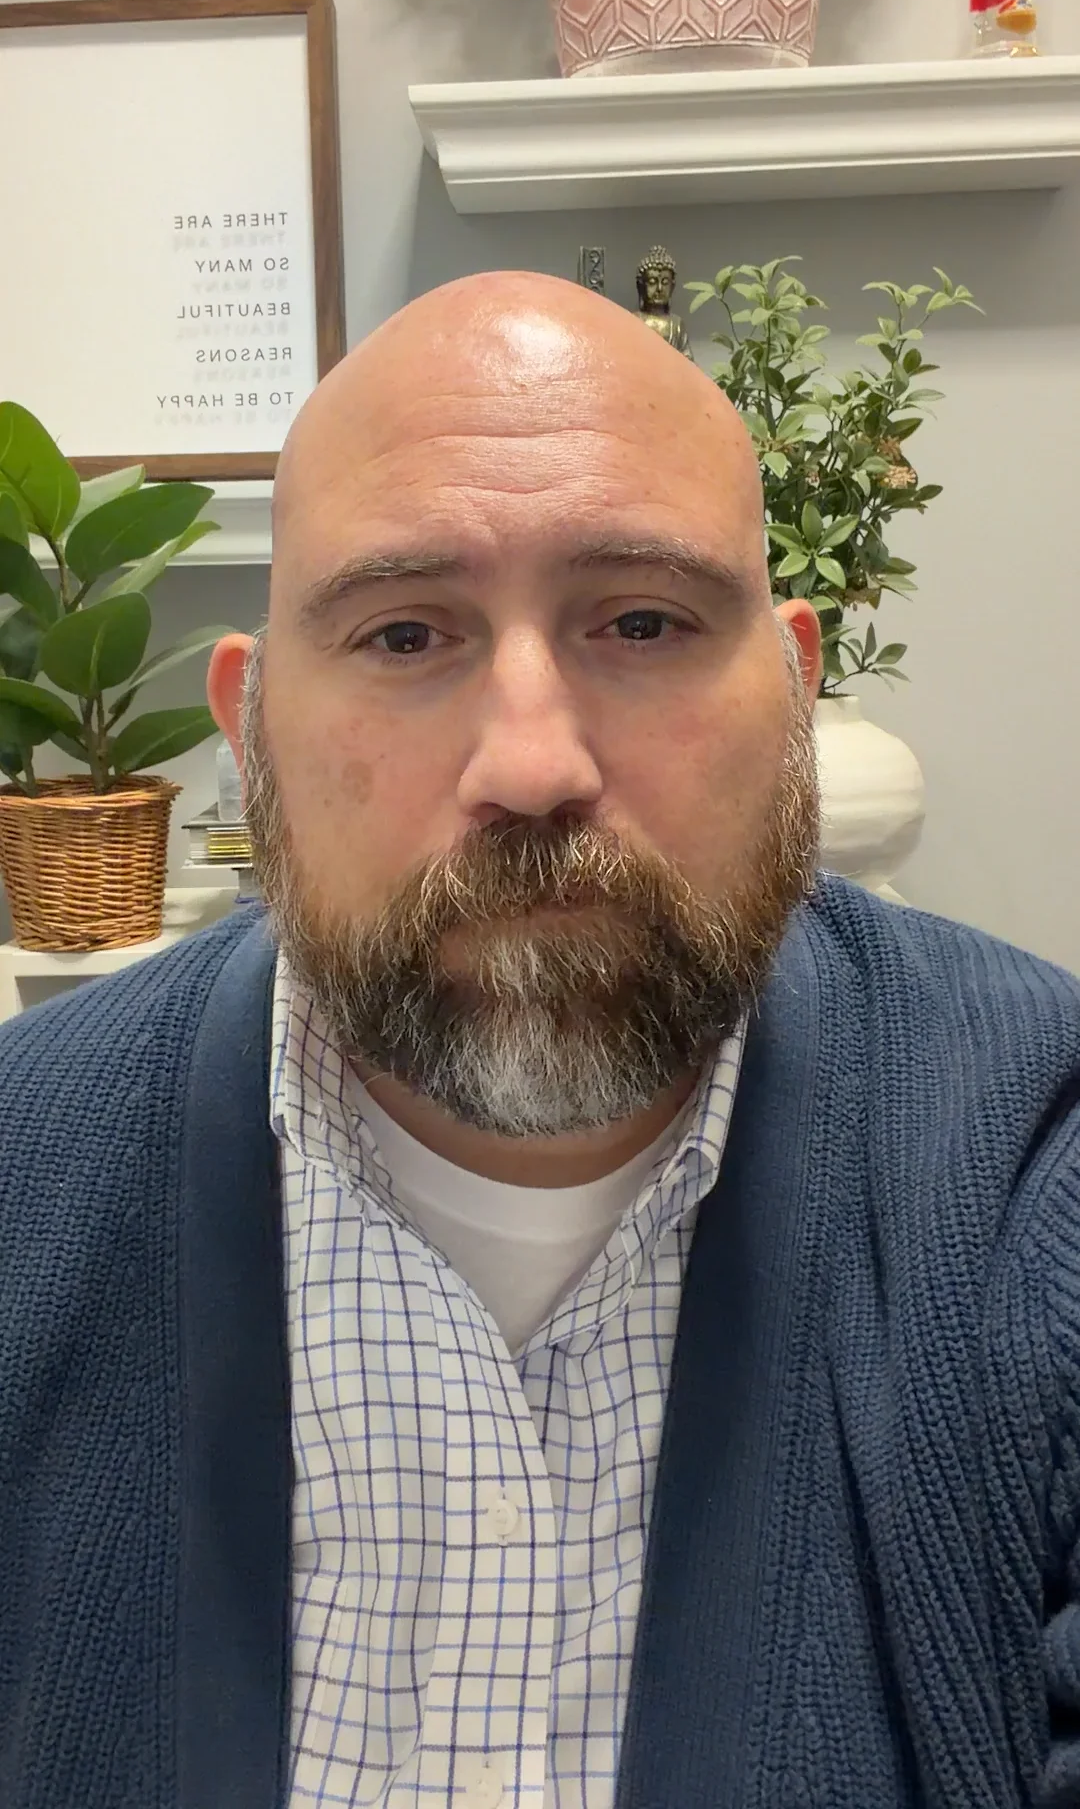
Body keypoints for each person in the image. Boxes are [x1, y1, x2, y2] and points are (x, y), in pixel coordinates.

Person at [1, 272, 1079, 1809]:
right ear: (251, 731)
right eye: (402, 634)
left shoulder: (1041, 1179)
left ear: (792, 694)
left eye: (641, 621)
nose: (530, 763)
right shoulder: (21, 1179)